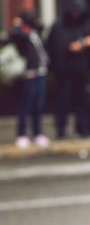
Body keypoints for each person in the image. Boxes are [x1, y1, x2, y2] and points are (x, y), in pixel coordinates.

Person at [46, 0, 90, 138]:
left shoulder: (84, 24)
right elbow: (56, 47)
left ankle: (83, 129)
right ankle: (61, 129)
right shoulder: (59, 26)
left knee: (82, 101)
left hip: (81, 70)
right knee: (63, 101)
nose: (76, 15)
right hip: (64, 71)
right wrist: (77, 45)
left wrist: (85, 44)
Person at [10, 12, 50, 149]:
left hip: (40, 73)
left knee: (38, 106)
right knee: (25, 105)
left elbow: (42, 26)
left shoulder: (34, 33)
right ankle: (21, 134)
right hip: (29, 75)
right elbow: (13, 36)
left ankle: (37, 133)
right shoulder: (21, 34)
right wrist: (17, 25)